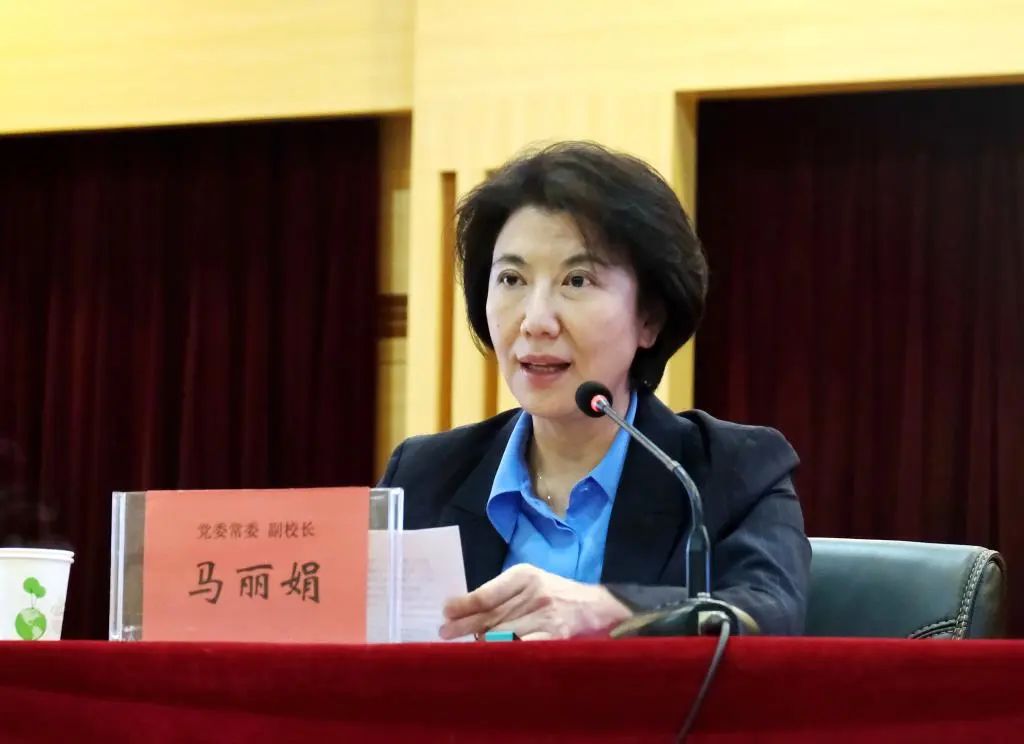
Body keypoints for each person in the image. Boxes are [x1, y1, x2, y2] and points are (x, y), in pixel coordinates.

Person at [379, 141, 810, 640]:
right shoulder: (425, 475)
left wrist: (608, 610)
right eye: (512, 279)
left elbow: (771, 614)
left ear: (649, 319)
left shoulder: (729, 473)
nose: (535, 320)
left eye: (577, 280)